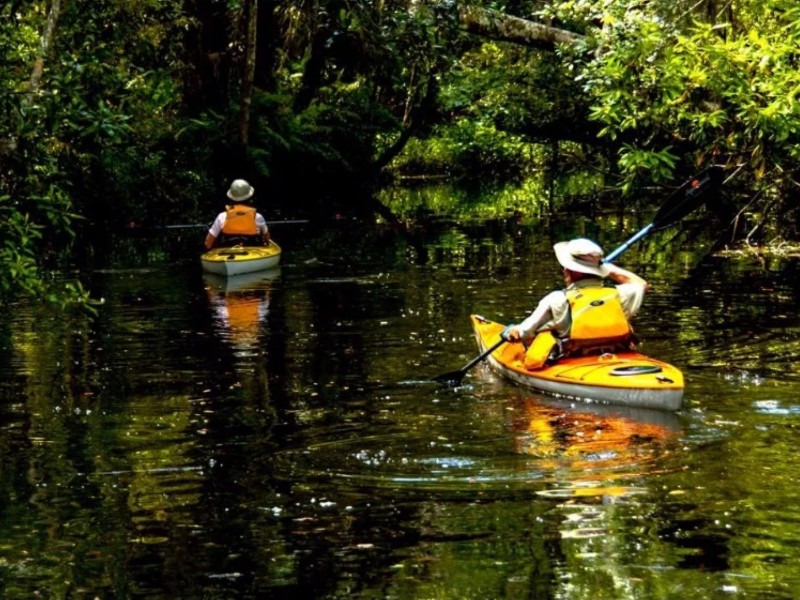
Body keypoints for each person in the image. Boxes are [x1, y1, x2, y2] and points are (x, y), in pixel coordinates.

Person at [504, 238, 649, 369]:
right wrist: (607, 268)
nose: (564, 270)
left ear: (570, 271)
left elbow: (524, 333)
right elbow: (641, 284)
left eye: (565, 267)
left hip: (573, 364)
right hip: (619, 358)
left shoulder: (557, 299)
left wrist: (510, 332)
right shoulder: (621, 294)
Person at [204, 179, 270, 250]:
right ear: (250, 198)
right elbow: (267, 238)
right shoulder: (258, 217)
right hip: (252, 253)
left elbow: (208, 243)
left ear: (231, 198)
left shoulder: (222, 216)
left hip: (227, 254)